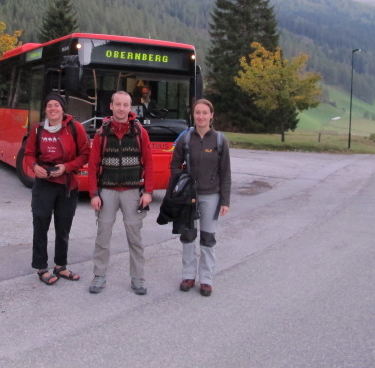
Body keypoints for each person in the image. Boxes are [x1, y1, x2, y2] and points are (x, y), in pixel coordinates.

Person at [88, 91, 154, 295]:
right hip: (107, 191)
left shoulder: (139, 132)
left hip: (133, 192)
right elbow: (92, 165)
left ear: (130, 108)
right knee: (103, 237)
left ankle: (138, 278)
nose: (122, 108)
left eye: (126, 105)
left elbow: (149, 163)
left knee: (135, 238)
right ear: (111, 106)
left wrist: (148, 192)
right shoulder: (101, 133)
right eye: (118, 104)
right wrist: (94, 194)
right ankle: (99, 276)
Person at [24, 93, 90, 285]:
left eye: (56, 105)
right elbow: (28, 154)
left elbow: (85, 154)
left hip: (67, 185)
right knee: (41, 226)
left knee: (63, 228)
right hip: (43, 184)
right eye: (49, 105)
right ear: (45, 110)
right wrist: (35, 167)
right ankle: (41, 267)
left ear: (63, 109)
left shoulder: (75, 128)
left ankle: (60, 266)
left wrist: (66, 167)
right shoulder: (37, 130)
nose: (53, 108)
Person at [169, 98, 231, 297]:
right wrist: (181, 184)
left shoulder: (220, 141)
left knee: (207, 237)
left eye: (205, 113)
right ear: (193, 115)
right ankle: (188, 275)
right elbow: (174, 166)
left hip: (211, 196)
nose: (201, 116)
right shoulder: (185, 139)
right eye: (198, 113)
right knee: (187, 236)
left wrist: (225, 200)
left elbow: (226, 173)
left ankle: (206, 279)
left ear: (211, 115)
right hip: (189, 197)